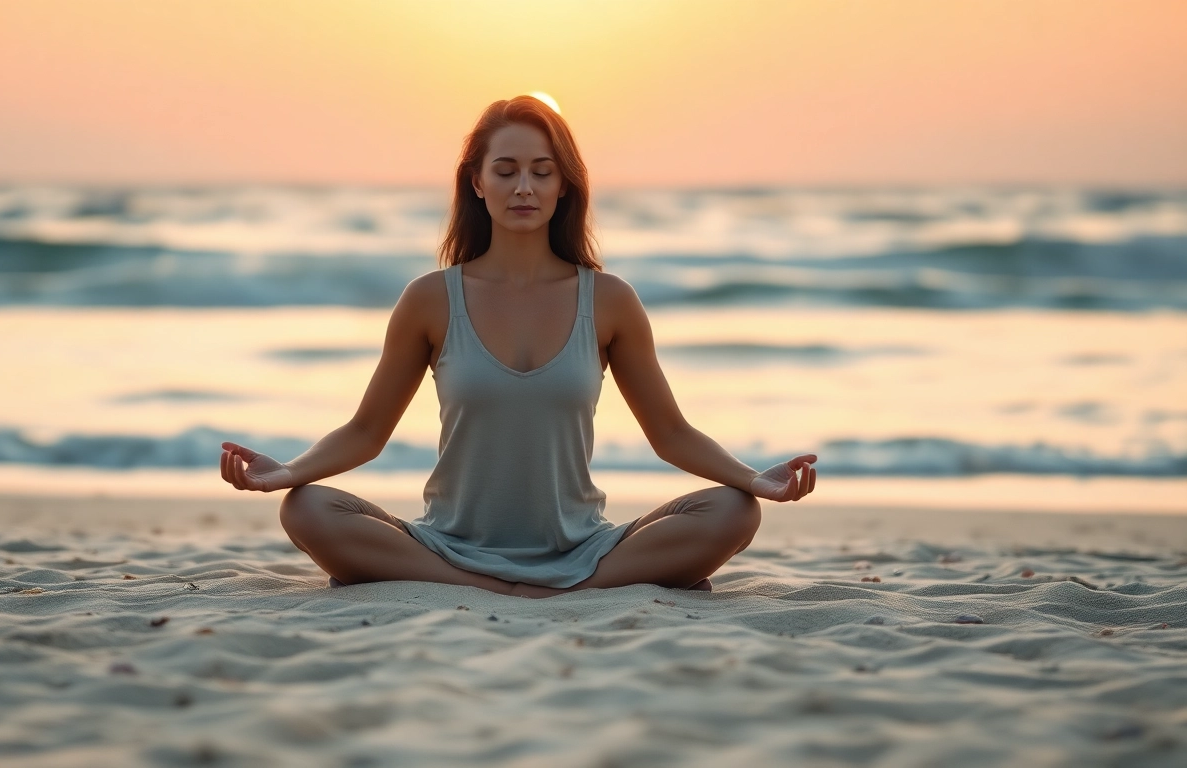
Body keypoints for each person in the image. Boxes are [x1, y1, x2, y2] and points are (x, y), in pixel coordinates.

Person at [218, 95, 817, 599]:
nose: (523, 186)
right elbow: (366, 433)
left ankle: (527, 585)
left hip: (584, 547)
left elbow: (671, 435)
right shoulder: (430, 299)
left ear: (564, 185)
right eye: (505, 170)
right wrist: (290, 472)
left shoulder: (608, 300)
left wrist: (753, 480)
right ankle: (503, 586)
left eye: (541, 170)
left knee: (736, 512)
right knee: (305, 509)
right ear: (476, 182)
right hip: (448, 545)